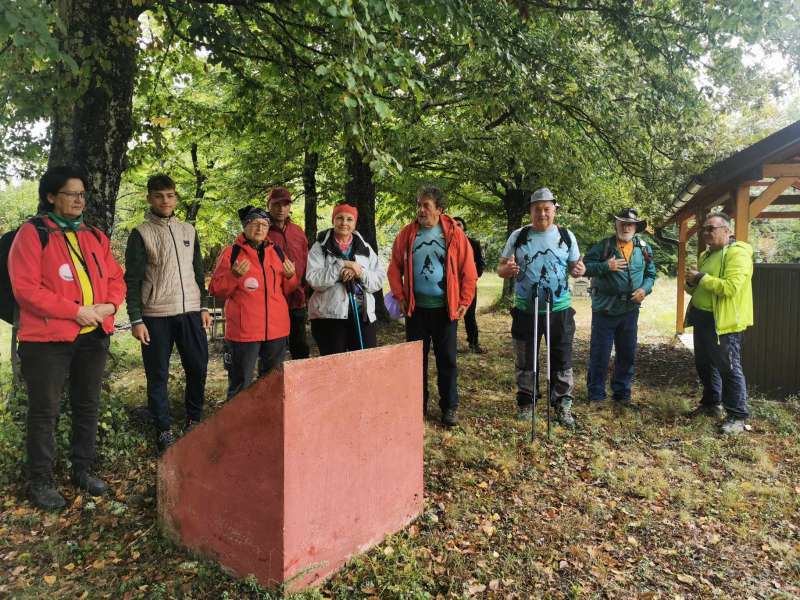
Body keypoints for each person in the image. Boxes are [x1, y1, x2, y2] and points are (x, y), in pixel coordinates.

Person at [9, 165, 126, 510]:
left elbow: (116, 278)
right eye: (71, 194)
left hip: (93, 336)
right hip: (47, 341)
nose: (79, 200)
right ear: (51, 197)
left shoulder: (95, 236)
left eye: (82, 194)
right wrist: (75, 311)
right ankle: (41, 481)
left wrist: (109, 305)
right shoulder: (33, 234)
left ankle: (82, 469)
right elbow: (26, 289)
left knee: (87, 404)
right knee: (45, 411)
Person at [124, 174, 211, 452]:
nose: (165, 200)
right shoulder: (141, 233)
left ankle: (194, 419)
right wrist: (136, 319)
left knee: (198, 366)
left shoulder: (189, 231)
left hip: (191, 312)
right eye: (159, 196)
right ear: (150, 198)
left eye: (170, 195)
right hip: (155, 314)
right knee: (157, 374)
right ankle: (163, 429)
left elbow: (198, 272)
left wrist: (204, 306)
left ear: (176, 197)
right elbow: (132, 279)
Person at [388, 186, 477, 427]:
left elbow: (468, 270)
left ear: (440, 209)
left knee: (446, 360)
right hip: (415, 310)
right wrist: (399, 295)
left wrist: (464, 301)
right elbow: (394, 267)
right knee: (415, 361)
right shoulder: (407, 234)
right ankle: (418, 406)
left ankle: (449, 407)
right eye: (418, 205)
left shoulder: (454, 234)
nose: (421, 210)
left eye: (426, 205)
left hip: (445, 310)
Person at [497, 187, 585, 428]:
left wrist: (580, 270)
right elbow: (501, 268)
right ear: (530, 211)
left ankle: (563, 405)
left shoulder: (566, 236)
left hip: (560, 309)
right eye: (537, 209)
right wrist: (508, 270)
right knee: (525, 358)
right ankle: (527, 404)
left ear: (554, 210)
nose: (542, 214)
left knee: (562, 358)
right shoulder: (518, 236)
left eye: (547, 209)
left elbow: (576, 268)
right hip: (526, 309)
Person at [209, 206, 298, 399]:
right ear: (245, 225)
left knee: (272, 383)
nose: (260, 228)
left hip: (276, 329)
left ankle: (267, 417)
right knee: (241, 384)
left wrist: (291, 277)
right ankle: (238, 419)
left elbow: (288, 289)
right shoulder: (231, 253)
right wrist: (233, 276)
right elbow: (216, 289)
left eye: (264, 225)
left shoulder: (277, 252)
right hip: (244, 331)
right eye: (255, 223)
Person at [684, 212, 753, 434]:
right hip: (702, 318)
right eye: (704, 229)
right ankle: (711, 404)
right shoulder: (706, 255)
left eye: (711, 228)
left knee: (729, 368)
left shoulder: (738, 254)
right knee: (705, 364)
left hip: (724, 322)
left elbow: (731, 288)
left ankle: (738, 416)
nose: (706, 233)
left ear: (727, 230)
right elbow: (696, 288)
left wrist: (701, 278)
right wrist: (691, 282)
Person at [583, 208, 657, 407]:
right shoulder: (604, 246)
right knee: (600, 353)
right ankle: (596, 395)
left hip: (630, 309)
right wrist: (606, 266)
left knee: (627, 353)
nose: (626, 227)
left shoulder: (644, 248)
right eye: (622, 223)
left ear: (635, 227)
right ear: (616, 225)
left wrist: (644, 290)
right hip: (605, 309)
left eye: (630, 224)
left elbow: (651, 274)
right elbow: (583, 268)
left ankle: (622, 394)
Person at [307, 203, 385, 355]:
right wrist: (341, 267)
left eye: (349, 219)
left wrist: (359, 272)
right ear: (333, 220)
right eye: (340, 218)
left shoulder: (365, 247)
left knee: (364, 362)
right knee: (334, 364)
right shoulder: (320, 247)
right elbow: (314, 280)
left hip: (362, 316)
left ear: (355, 223)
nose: (344, 223)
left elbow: (379, 279)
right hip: (329, 317)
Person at [266, 187, 310, 360]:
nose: (281, 209)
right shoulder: (262, 231)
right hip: (273, 300)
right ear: (269, 205)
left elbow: (306, 261)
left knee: (300, 348)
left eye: (285, 205)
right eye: (277, 204)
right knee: (273, 351)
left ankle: (302, 378)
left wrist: (306, 291)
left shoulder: (297, 231)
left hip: (297, 299)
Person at [453, 216, 486, 353]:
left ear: (464, 227)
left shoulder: (474, 243)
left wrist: (472, 277)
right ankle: (450, 344)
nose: (456, 226)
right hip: (452, 286)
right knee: (451, 315)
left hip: (469, 286)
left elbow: (480, 264)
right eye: (454, 224)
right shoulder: (447, 243)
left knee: (470, 315)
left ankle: (474, 344)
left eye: (459, 224)